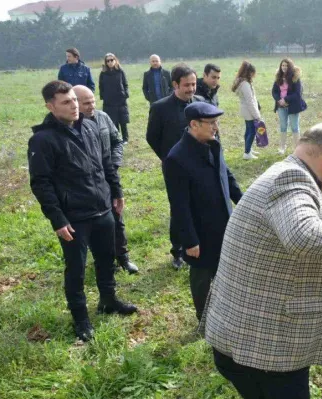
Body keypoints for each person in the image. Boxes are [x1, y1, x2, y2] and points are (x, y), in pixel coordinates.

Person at [202, 122, 322, 399]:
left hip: (252, 341)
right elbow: (303, 236)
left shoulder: (288, 174)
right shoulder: (291, 179)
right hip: (264, 351)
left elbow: (296, 267)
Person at [27, 81, 137, 342]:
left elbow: (106, 162)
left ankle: (108, 301)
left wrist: (116, 191)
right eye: (66, 102)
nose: (74, 106)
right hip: (74, 217)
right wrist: (57, 219)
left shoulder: (89, 127)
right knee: (76, 269)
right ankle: (81, 318)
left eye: (74, 100)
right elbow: (41, 183)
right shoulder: (42, 140)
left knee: (106, 259)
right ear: (50, 106)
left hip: (102, 207)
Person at [163, 102, 242, 321]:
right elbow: (179, 205)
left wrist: (242, 202)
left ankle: (224, 310)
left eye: (217, 122)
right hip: (200, 229)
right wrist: (189, 241)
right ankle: (204, 318)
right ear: (193, 125)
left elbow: (226, 176)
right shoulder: (176, 159)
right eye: (211, 123)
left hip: (223, 220)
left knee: (224, 268)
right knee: (202, 275)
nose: (216, 127)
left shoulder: (213, 144)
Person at [73, 85, 139, 275]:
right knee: (95, 222)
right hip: (86, 183)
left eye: (93, 101)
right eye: (86, 103)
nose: (91, 106)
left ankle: (123, 257)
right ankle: (102, 259)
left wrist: (114, 163)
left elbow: (117, 141)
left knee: (117, 216)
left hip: (109, 176)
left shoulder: (103, 117)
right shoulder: (72, 125)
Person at [146, 64, 204, 270]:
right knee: (180, 207)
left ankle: (198, 244)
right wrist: (168, 158)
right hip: (176, 169)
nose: (191, 89)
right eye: (186, 85)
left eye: (194, 84)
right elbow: (152, 137)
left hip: (200, 166)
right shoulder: (160, 108)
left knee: (201, 204)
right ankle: (177, 251)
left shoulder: (200, 103)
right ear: (175, 84)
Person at [271, 58, 307, 155]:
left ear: (290, 67)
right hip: (281, 106)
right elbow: (274, 91)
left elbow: (297, 94)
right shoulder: (278, 77)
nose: (284, 67)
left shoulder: (295, 78)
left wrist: (285, 99)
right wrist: (279, 100)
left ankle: (297, 149)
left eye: (286, 66)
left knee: (294, 127)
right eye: (283, 65)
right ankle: (282, 147)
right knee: (283, 126)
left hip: (293, 106)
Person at [232, 61, 262, 160]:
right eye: (253, 73)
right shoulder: (244, 84)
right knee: (252, 131)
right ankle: (247, 153)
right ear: (249, 72)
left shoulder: (243, 82)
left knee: (248, 130)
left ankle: (248, 149)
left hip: (246, 110)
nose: (254, 75)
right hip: (249, 111)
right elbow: (250, 101)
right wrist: (257, 115)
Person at [98, 53, 130, 143]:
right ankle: (117, 138)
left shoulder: (120, 71)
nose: (110, 62)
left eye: (112, 60)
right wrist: (103, 97)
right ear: (106, 62)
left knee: (123, 120)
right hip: (109, 101)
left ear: (115, 60)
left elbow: (125, 84)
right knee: (113, 120)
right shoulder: (103, 73)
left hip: (120, 99)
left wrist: (125, 94)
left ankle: (125, 138)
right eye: (108, 61)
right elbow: (101, 86)